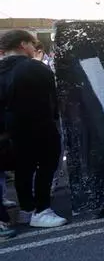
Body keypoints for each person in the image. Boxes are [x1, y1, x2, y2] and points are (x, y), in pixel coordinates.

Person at [0, 30, 67, 228]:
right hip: (39, 127)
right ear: (23, 44)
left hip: (9, 133)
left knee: (23, 170)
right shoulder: (35, 68)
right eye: (32, 44)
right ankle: (42, 209)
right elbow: (52, 101)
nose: (34, 48)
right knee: (46, 167)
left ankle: (27, 209)